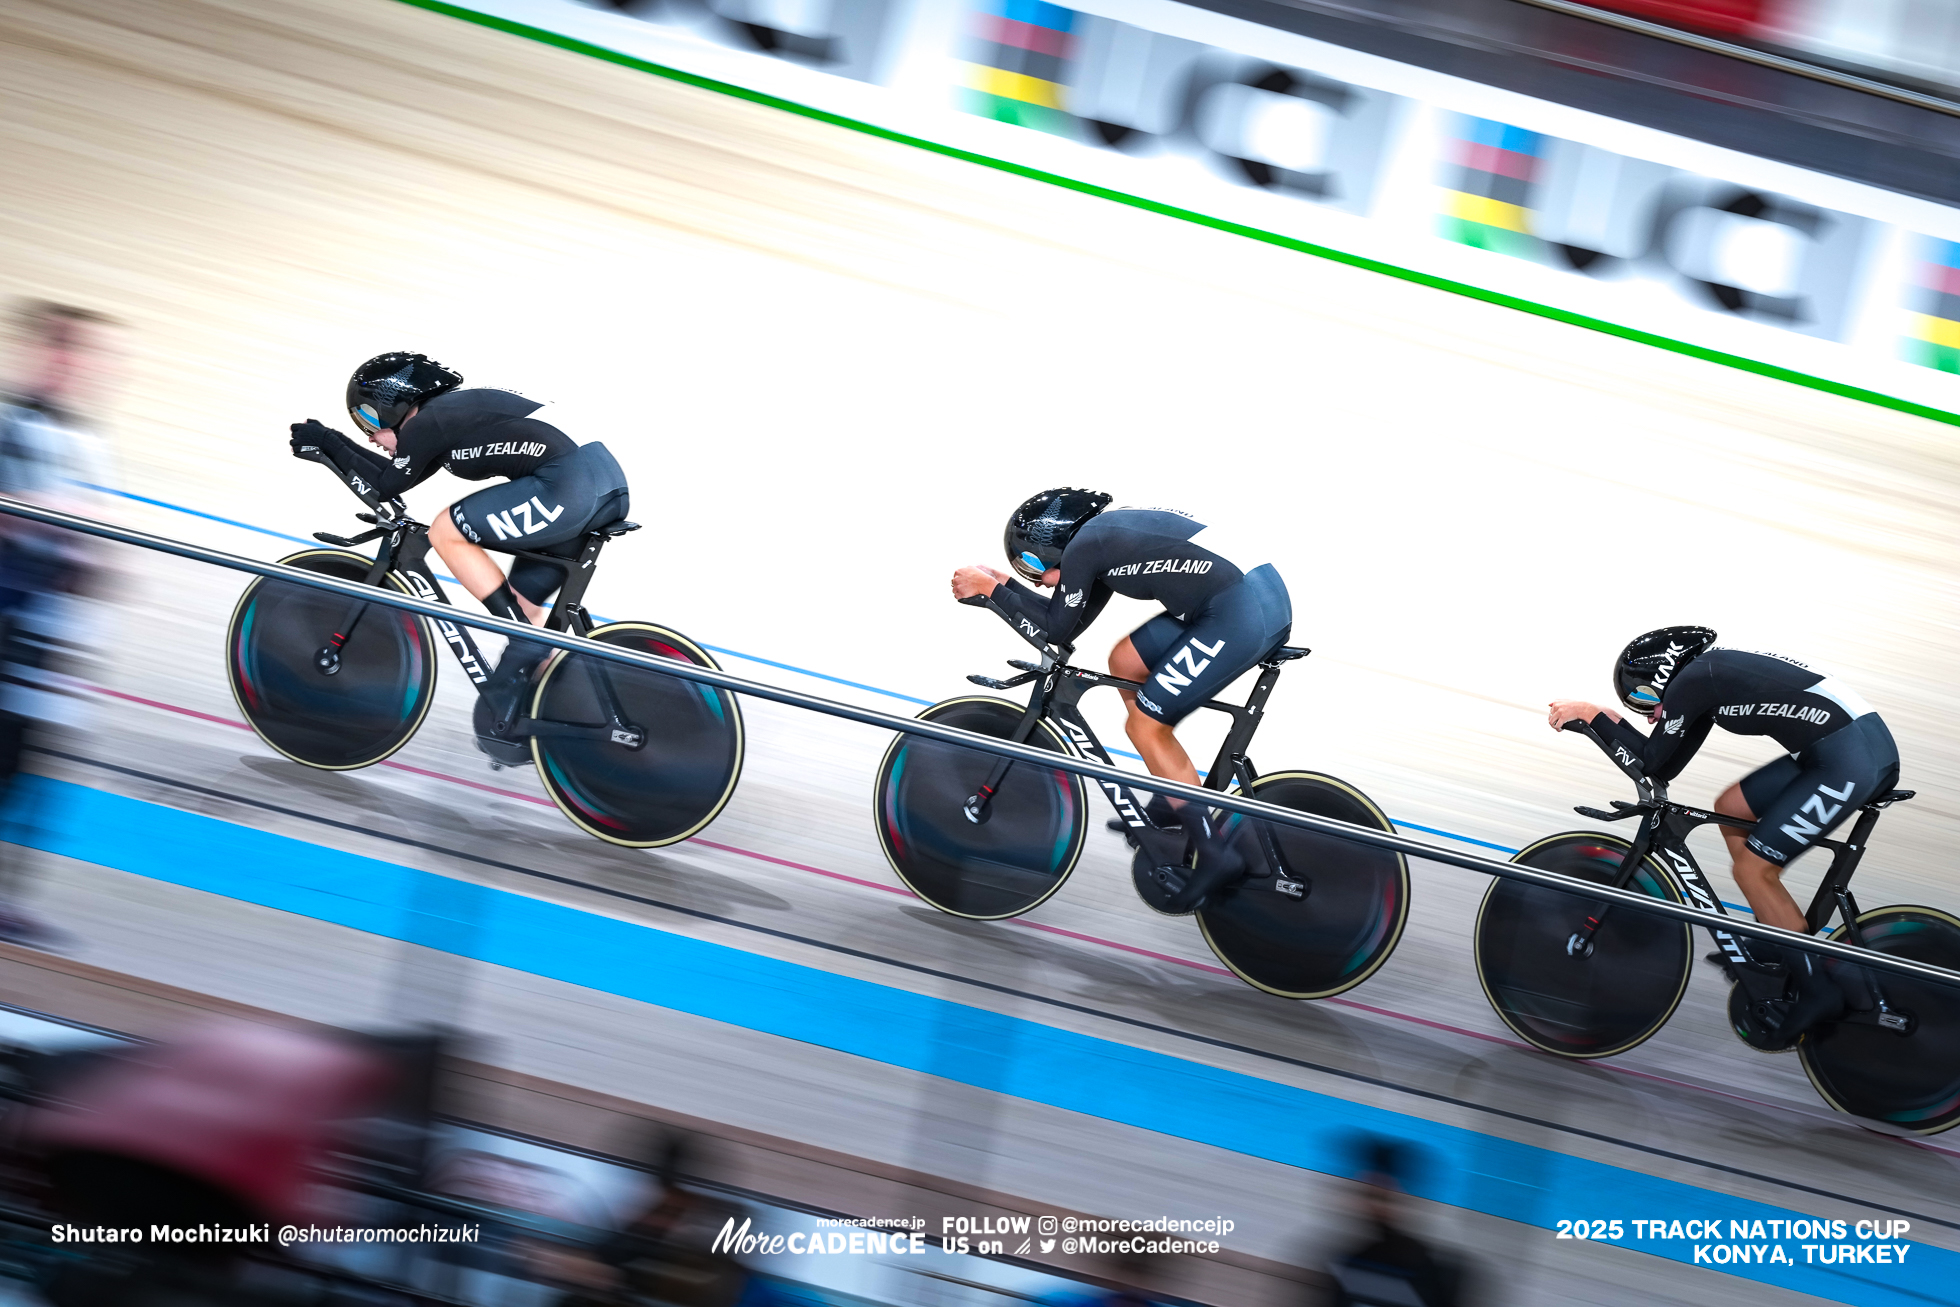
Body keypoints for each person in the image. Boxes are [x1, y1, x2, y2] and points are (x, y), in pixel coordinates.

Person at [1548, 626, 1900, 1046]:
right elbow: (1663, 764)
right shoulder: (1703, 677)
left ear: (1661, 676)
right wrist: (1613, 720)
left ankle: (1817, 990)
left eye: (1642, 698)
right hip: (1841, 747)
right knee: (1733, 807)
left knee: (1754, 870)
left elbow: (1653, 762)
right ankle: (1778, 938)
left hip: (1847, 758)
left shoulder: (1693, 682)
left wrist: (1594, 715)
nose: (1645, 714)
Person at [951, 490, 1292, 913]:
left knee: (1145, 726)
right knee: (1125, 661)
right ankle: (1171, 792)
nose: (1037, 583)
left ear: (1048, 550)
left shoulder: (1083, 550)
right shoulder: (1097, 540)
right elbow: (1067, 620)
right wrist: (1001, 588)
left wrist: (992, 594)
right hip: (1244, 596)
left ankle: (1215, 853)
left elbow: (1056, 632)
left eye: (1035, 572)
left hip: (1239, 611)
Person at [288, 354, 630, 762]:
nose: (369, 437)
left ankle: (526, 645)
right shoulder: (446, 416)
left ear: (389, 406)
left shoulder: (425, 424)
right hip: (599, 483)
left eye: (368, 423)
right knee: (525, 603)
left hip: (566, 485)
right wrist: (331, 441)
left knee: (445, 530)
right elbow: (396, 477)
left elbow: (384, 485)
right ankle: (535, 706)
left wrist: (328, 441)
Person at [0, 301, 122, 947]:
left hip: (54, 634)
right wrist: (55, 513)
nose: (85, 367)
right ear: (45, 352)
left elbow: (98, 549)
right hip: (11, 626)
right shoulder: (11, 424)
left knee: (33, 774)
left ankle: (8, 901)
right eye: (71, 350)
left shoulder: (90, 443)